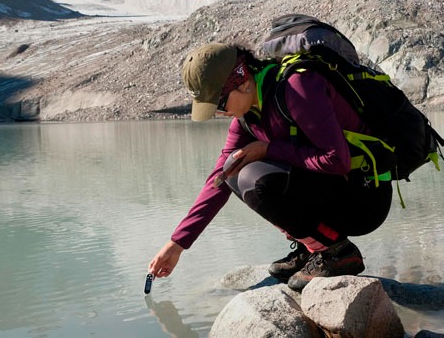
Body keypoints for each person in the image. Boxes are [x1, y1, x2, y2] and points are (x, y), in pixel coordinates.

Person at [147, 41, 393, 291]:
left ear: (242, 81)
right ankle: (312, 247)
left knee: (255, 179)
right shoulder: (247, 117)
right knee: (232, 173)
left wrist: (268, 149)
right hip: (334, 192)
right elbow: (219, 179)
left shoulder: (297, 88)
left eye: (220, 104)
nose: (219, 113)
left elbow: (337, 160)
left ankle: (337, 252)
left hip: (364, 198)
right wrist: (177, 244)